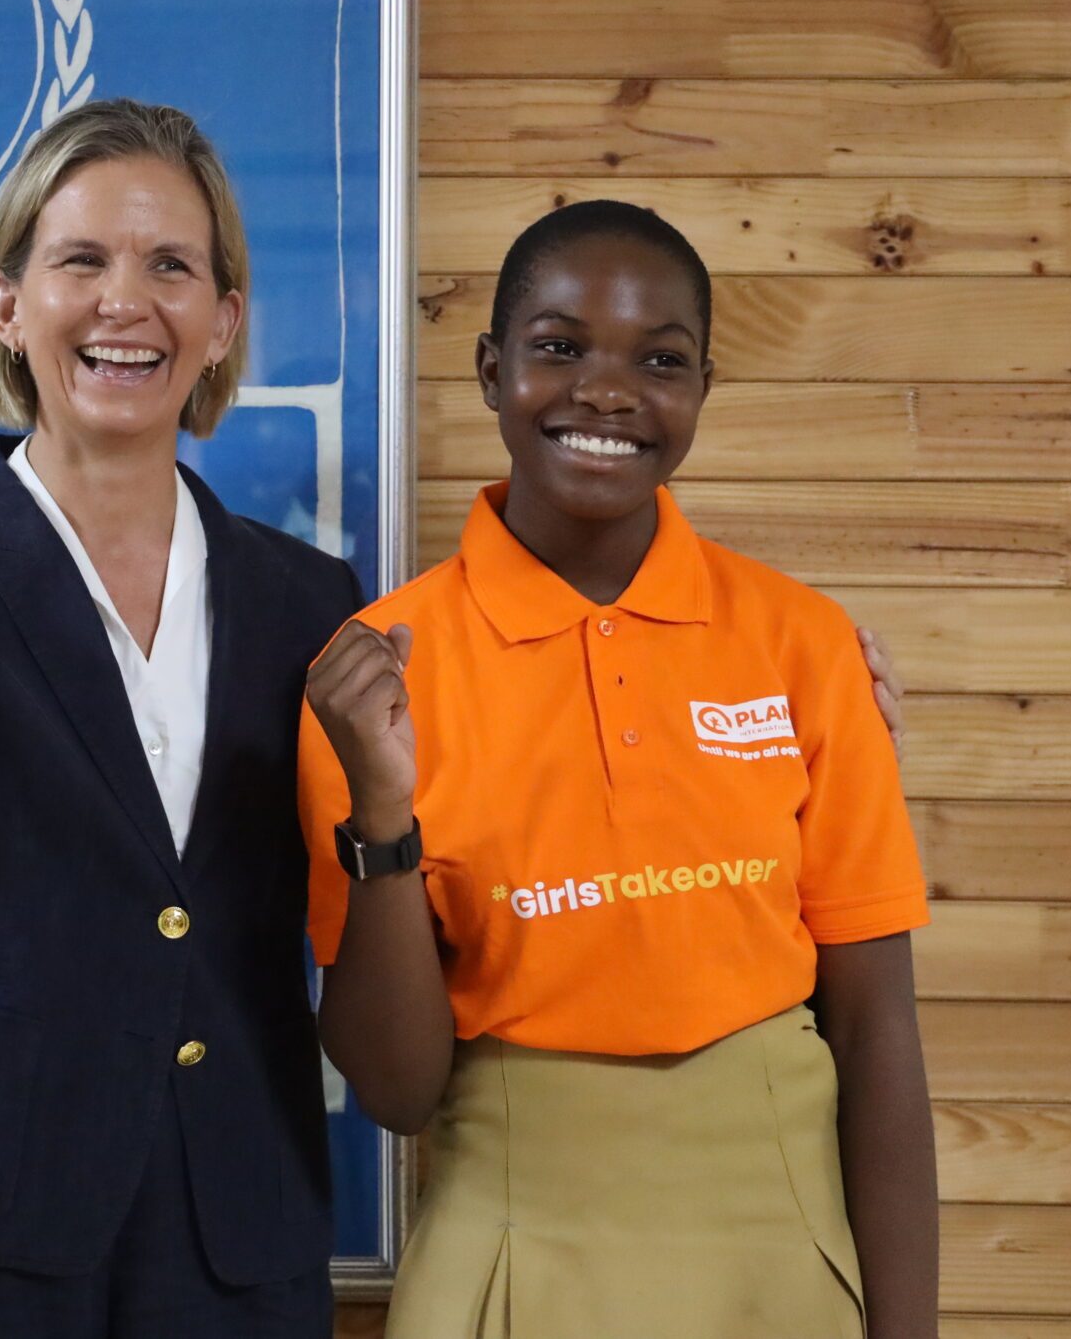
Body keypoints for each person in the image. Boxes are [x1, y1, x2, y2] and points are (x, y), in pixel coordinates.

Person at [302, 201, 937, 1339]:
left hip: (779, 1253)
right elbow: (396, 1093)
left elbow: (876, 1028)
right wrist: (382, 813)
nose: (605, 391)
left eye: (659, 360)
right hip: (507, 1245)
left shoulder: (801, 644)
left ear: (701, 390)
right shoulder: (374, 679)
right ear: (491, 371)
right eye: (557, 348)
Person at [0, 100, 358, 1337]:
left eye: (171, 266)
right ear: (5, 307)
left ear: (222, 324)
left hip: (229, 1246)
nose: (125, 302)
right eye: (81, 261)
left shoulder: (308, 603)